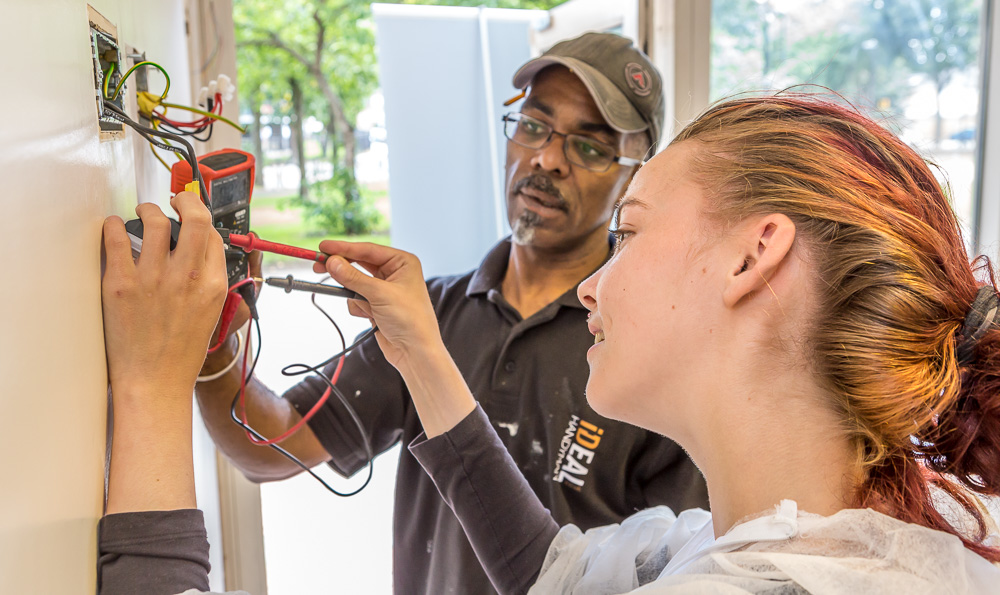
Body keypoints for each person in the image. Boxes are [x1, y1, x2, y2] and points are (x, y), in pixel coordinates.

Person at [99, 92, 1000, 594]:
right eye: (532, 124)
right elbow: (552, 572)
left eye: (633, 233)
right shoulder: (872, 534)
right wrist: (424, 355)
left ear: (752, 256)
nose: (593, 285)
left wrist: (146, 385)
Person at [189, 32, 707, 594]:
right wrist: (213, 341)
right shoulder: (427, 315)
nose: (547, 158)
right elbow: (273, 445)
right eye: (534, 125)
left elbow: (687, 573)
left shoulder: (655, 354)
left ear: (635, 178)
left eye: (589, 147)